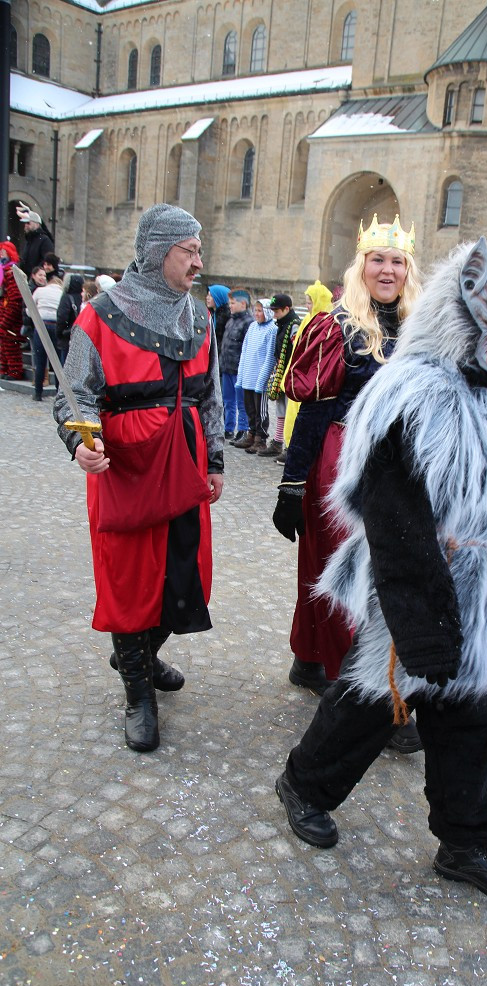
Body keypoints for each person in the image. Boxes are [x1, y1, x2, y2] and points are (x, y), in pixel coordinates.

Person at [275, 235, 487, 903]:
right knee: (374, 699)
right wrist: (421, 609)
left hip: (484, 586)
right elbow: (390, 506)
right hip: (416, 574)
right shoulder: (413, 390)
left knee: (475, 714)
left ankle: (464, 843)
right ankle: (304, 784)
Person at [53, 203, 224, 752]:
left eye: (199, 250)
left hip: (186, 460)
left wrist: (215, 460)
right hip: (125, 465)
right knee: (128, 580)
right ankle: (138, 692)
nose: (199, 261)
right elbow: (75, 393)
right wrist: (82, 441)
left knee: (185, 575)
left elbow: (209, 393)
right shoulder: (100, 316)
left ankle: (140, 655)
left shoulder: (199, 315)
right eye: (188, 251)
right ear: (156, 253)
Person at [272, 214, 423, 753]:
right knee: (341, 569)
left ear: (409, 268)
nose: (387, 269)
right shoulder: (334, 324)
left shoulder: (418, 325)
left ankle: (309, 658)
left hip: (394, 464)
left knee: (369, 572)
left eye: (397, 260)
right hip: (339, 460)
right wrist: (292, 484)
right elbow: (311, 411)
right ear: (361, 265)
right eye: (377, 260)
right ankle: (363, 693)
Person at [281, 280, 333, 454]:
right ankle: (291, 446)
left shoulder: (327, 322)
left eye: (310, 302)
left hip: (312, 377)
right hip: (299, 373)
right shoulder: (306, 320)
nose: (307, 306)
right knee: (293, 413)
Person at [260, 293, 301, 459]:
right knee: (280, 408)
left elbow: (296, 349)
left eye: (277, 311)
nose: (274, 314)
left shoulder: (294, 325)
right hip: (281, 371)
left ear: (287, 309)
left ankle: (288, 446)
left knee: (289, 410)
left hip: (289, 373)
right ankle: (277, 441)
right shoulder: (282, 324)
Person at [233, 299, 277, 452]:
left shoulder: (272, 329)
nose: (257, 314)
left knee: (260, 411)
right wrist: (241, 375)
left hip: (260, 378)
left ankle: (261, 437)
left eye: (260, 311)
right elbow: (244, 351)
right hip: (248, 376)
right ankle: (251, 433)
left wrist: (262, 380)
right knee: (250, 408)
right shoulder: (252, 327)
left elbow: (270, 357)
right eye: (255, 310)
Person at [218, 289, 253, 441]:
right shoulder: (231, 320)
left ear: (243, 303)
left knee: (241, 402)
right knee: (228, 400)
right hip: (226, 367)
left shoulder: (248, 322)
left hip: (238, 369)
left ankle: (243, 429)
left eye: (233, 303)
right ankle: (228, 427)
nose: (230, 306)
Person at [30, 261, 64, 400]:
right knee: (56, 361)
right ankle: (58, 392)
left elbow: (29, 309)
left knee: (40, 360)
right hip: (55, 325)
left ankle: (38, 393)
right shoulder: (61, 293)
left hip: (42, 324)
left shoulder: (40, 291)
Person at [0, 241, 25, 380]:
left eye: (3, 251)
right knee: (4, 346)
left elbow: (15, 300)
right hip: (4, 314)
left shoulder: (12, 274)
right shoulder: (4, 272)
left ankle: (15, 371)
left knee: (11, 345)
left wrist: (5, 320)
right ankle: (5, 369)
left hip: (10, 319)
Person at [16, 201, 54, 277]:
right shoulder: (30, 240)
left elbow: (46, 261)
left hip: (37, 280)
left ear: (37, 224)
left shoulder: (44, 240)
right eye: (25, 223)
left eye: (28, 223)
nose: (26, 225)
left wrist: (35, 274)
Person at [55, 273, 84, 357]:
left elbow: (62, 317)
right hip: (78, 336)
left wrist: (59, 332)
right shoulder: (83, 298)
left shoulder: (66, 297)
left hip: (67, 336)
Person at [206, 284, 230, 353]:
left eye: (211, 296)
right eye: (208, 295)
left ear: (218, 297)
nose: (207, 298)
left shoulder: (227, 317)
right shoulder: (211, 314)